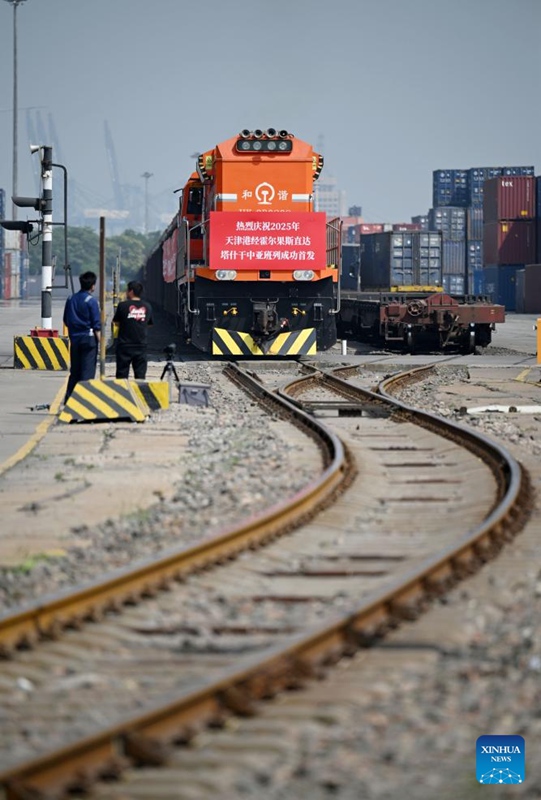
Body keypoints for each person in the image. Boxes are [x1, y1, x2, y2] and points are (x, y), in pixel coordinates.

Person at [63, 271, 101, 402]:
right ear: (93, 286)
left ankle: (69, 399)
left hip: (75, 339)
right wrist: (100, 342)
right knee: (87, 372)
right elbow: (96, 325)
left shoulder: (70, 299)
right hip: (89, 339)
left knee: (75, 371)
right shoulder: (91, 301)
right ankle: (84, 401)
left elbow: (66, 320)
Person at [112, 280, 154, 379]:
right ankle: (139, 393)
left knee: (122, 375)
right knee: (140, 376)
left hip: (124, 345)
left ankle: (123, 393)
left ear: (131, 291)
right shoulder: (147, 306)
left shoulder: (122, 306)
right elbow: (149, 324)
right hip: (141, 345)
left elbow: (116, 322)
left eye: (127, 290)